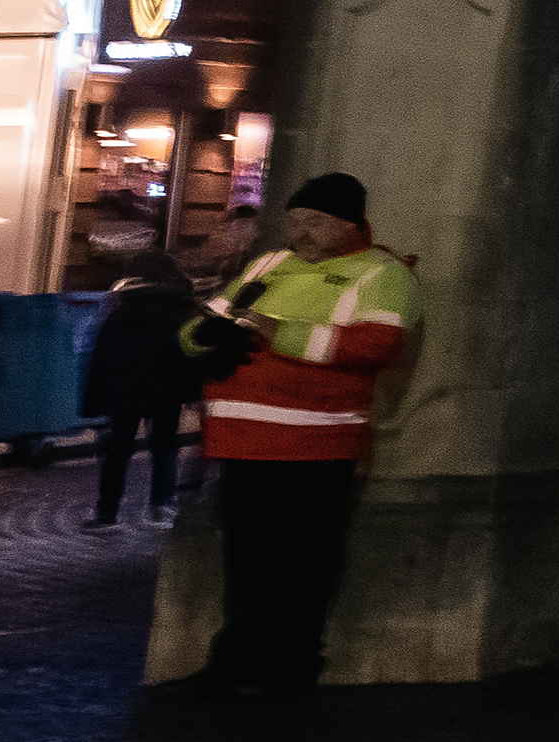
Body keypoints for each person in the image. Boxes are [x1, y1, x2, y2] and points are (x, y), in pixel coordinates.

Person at [177, 178, 414, 696]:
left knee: (300, 559)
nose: (302, 231)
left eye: (317, 222)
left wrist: (271, 331)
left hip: (315, 440)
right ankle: (233, 661)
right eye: (295, 219)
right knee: (245, 559)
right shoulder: (268, 264)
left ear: (351, 226)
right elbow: (206, 321)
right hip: (241, 440)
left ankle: (287, 665)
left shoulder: (383, 274)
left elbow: (373, 347)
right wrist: (200, 342)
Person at [81, 259, 207, 531]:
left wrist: (96, 398)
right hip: (167, 391)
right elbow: (191, 354)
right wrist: (194, 392)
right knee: (164, 449)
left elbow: (103, 356)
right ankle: (160, 508)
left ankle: (106, 514)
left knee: (117, 452)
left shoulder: (122, 309)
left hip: (125, 391)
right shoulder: (183, 309)